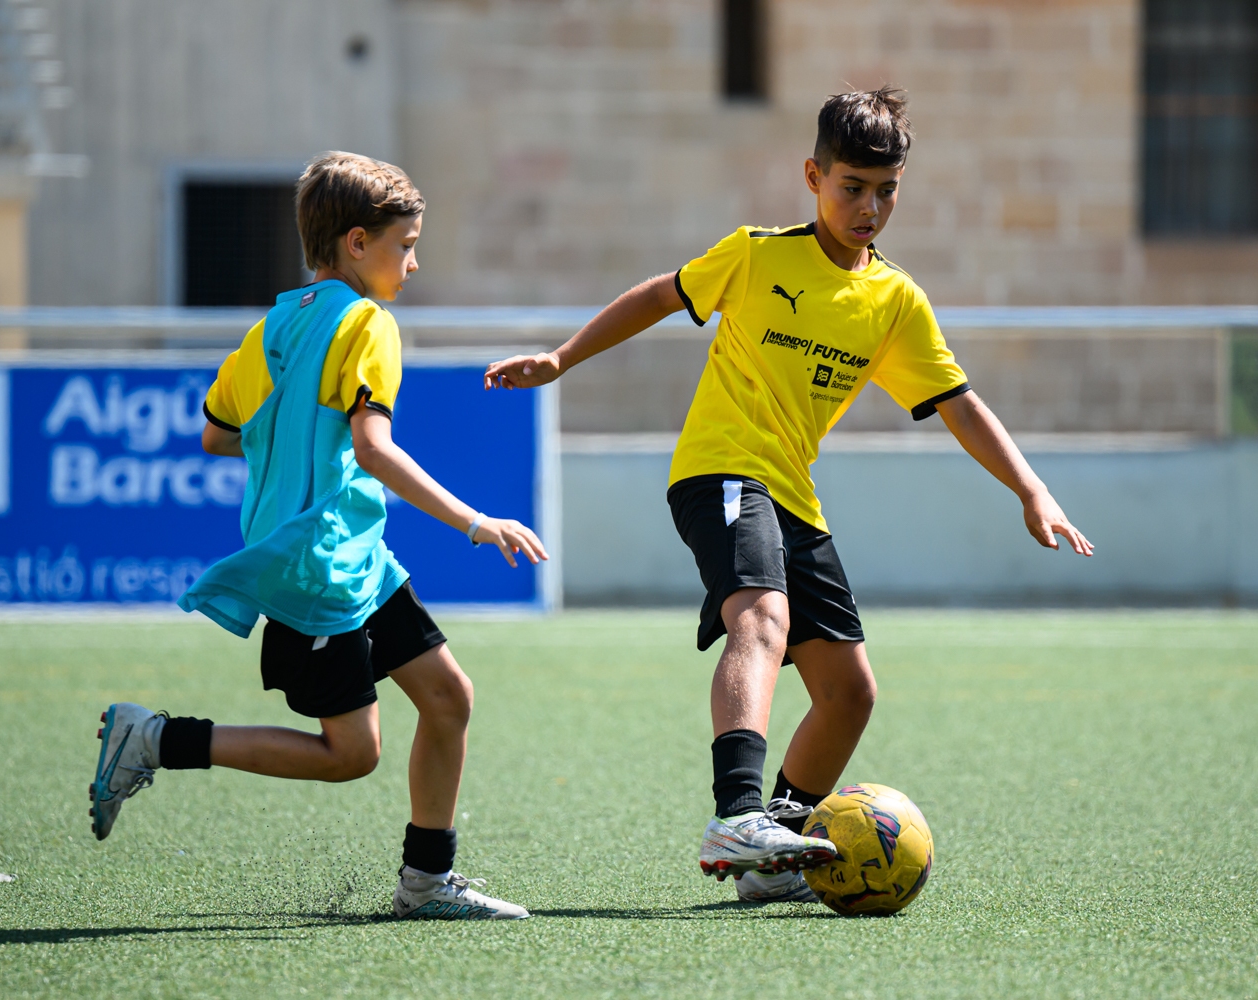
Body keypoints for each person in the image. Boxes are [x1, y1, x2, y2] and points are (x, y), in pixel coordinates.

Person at [484, 88, 1093, 906]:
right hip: (719, 469)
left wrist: (1031, 487)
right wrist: (561, 359)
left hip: (793, 496)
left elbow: (958, 403)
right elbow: (661, 295)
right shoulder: (756, 255)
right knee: (761, 616)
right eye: (852, 187)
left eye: (887, 191)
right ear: (813, 177)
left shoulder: (895, 301)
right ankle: (736, 815)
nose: (870, 207)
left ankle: (771, 855)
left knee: (849, 692)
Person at [89, 151, 547, 921]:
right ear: (357, 243)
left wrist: (293, 440)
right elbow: (373, 447)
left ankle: (426, 882)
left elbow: (216, 434)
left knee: (448, 698)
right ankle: (156, 740)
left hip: (354, 557)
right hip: (320, 568)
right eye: (405, 245)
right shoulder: (368, 323)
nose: (413, 262)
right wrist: (476, 521)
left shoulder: (274, 325)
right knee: (351, 754)